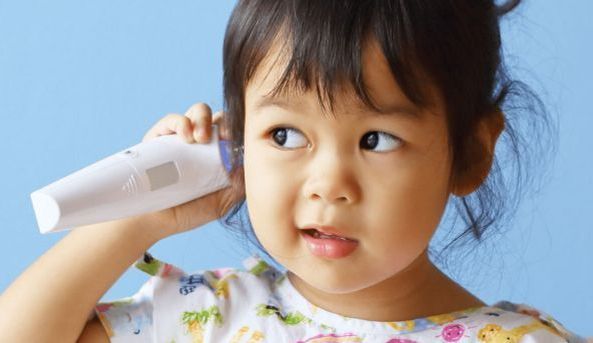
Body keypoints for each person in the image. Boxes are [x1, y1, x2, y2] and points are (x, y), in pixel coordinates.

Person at [0, 0, 590, 342]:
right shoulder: (204, 317)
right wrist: (134, 222)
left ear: (471, 153)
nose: (328, 184)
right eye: (284, 135)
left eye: (376, 139)